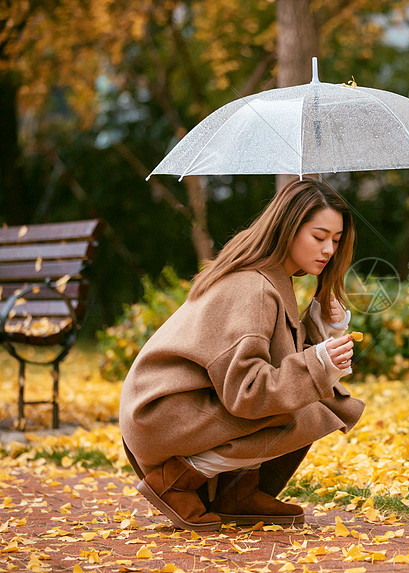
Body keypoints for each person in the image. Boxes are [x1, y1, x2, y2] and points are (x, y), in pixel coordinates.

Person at [119, 177, 365, 532]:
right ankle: (174, 481)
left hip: (174, 408)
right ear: (289, 228)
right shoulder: (254, 287)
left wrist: (325, 329)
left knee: (307, 398)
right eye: (319, 236)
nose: (328, 249)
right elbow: (247, 392)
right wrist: (319, 365)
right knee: (307, 408)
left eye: (336, 240)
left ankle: (239, 493)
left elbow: (274, 362)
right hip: (162, 414)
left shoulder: (268, 277)